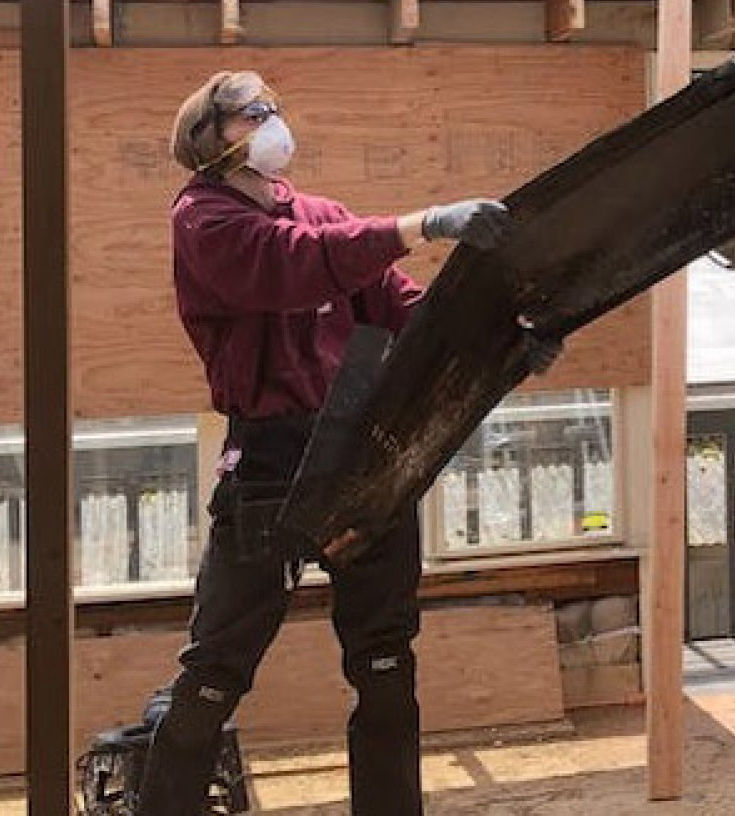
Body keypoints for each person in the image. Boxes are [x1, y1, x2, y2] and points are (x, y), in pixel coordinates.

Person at [138, 70, 557, 816]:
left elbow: (404, 308)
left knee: (386, 662)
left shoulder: (320, 214)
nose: (273, 122)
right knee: (213, 673)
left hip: (363, 454)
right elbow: (293, 266)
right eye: (252, 113)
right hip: (270, 463)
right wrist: (424, 223)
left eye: (274, 107)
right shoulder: (202, 221)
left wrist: (502, 339)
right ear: (211, 138)